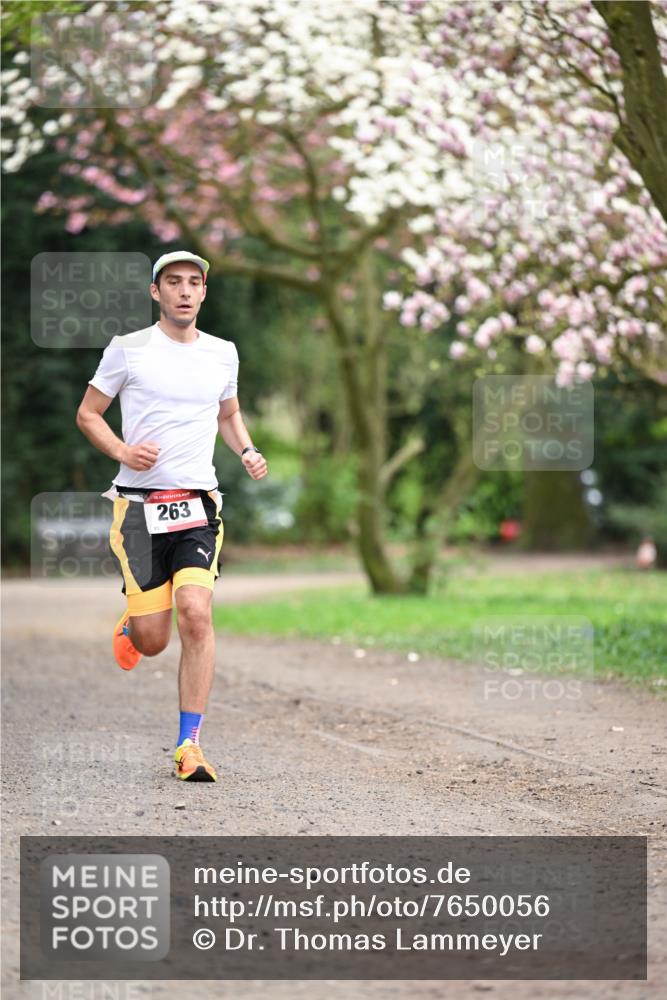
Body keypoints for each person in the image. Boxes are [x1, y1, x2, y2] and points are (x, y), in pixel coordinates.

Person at [76, 250, 268, 782]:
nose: (184, 291)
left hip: (198, 505)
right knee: (154, 640)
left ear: (204, 292)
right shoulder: (128, 350)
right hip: (137, 510)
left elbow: (227, 413)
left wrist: (247, 450)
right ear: (155, 292)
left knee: (196, 613)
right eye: (172, 282)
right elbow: (88, 413)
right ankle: (134, 626)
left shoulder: (223, 353)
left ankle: (190, 745)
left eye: (193, 282)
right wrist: (121, 451)